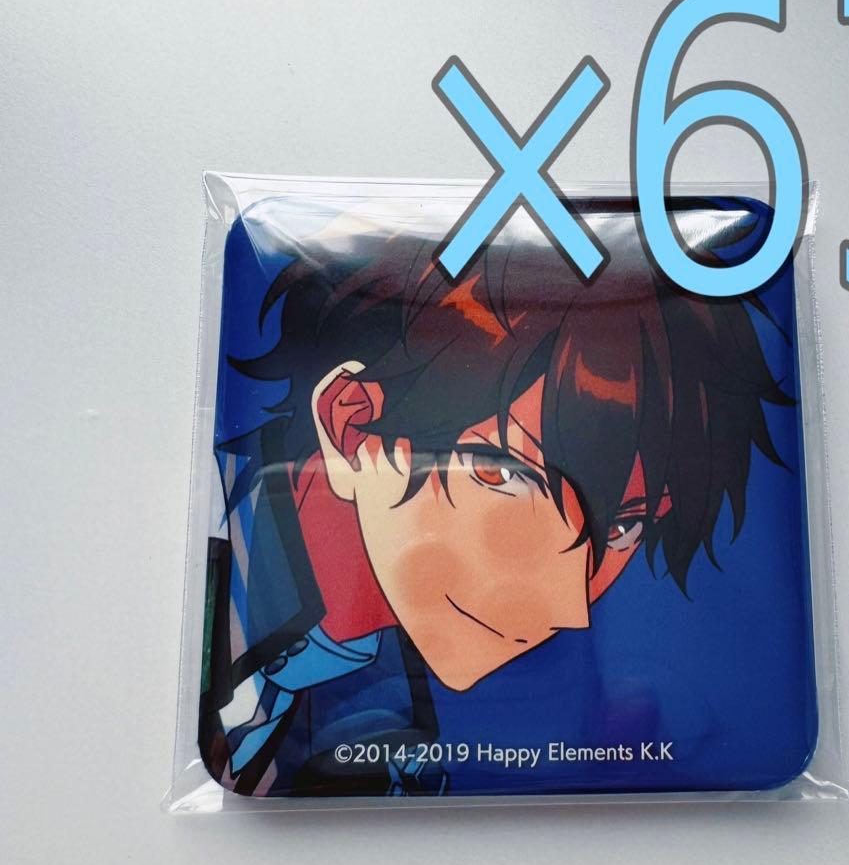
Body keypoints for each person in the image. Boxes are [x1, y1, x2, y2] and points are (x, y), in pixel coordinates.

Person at [198, 199, 789, 796]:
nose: (570, 609)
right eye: (508, 476)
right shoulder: (216, 560)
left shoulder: (403, 752)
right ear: (353, 427)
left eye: (621, 529)